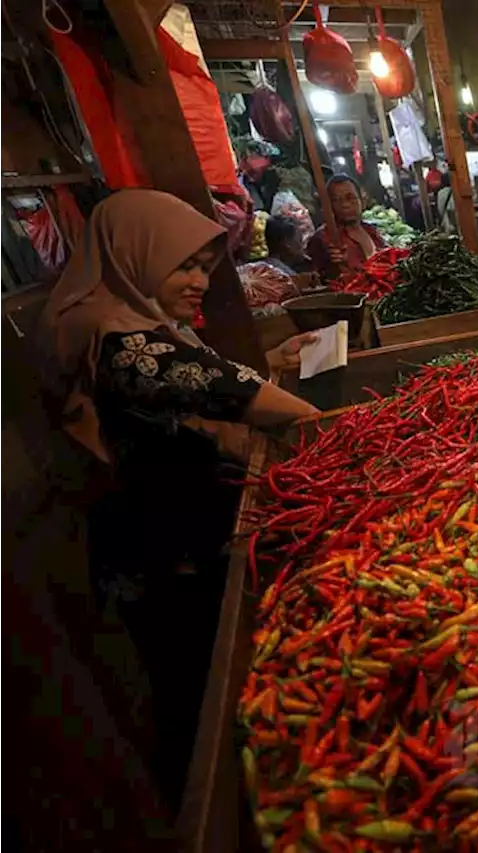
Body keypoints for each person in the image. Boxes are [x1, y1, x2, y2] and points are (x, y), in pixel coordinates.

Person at [39, 189, 320, 806]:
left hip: (174, 528)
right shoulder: (112, 337)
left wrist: (272, 361)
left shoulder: (128, 321)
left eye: (205, 266)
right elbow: (218, 388)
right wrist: (335, 425)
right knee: (199, 696)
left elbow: (190, 384)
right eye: (185, 265)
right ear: (134, 255)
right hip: (160, 548)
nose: (200, 281)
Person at [307, 175, 386, 283]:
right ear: (328, 206)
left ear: (362, 201)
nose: (345, 205)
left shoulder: (371, 231)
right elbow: (319, 278)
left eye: (350, 198)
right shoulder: (323, 238)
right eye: (336, 200)